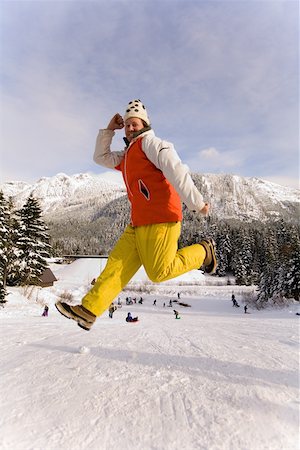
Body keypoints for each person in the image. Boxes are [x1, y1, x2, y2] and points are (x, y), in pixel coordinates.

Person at [55, 99, 217, 331]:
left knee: (159, 272)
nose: (131, 128)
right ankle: (89, 310)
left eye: (135, 124)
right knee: (116, 266)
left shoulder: (153, 144)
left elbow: (177, 170)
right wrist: (109, 130)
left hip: (161, 219)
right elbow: (100, 158)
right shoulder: (129, 154)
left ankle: (203, 251)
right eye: (128, 124)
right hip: (138, 222)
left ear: (145, 124)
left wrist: (196, 203)